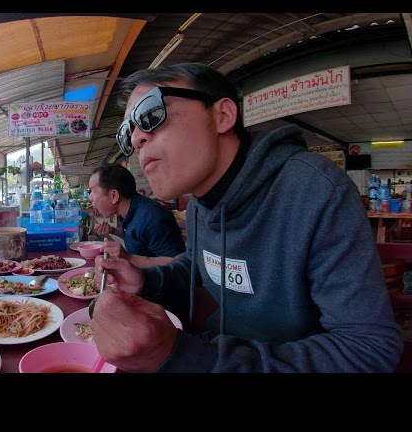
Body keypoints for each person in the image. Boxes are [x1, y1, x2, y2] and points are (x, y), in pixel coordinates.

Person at [90, 62, 403, 373]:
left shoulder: (315, 191)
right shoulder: (201, 200)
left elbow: (368, 348)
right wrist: (145, 278)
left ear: (222, 116)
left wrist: (191, 358)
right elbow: (198, 265)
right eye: (128, 131)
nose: (136, 140)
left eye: (149, 114)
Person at [88, 163, 185, 268]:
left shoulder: (151, 218)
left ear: (114, 195)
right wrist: (113, 230)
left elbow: (179, 264)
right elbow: (137, 238)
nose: (90, 198)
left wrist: (128, 258)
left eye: (93, 191)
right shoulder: (127, 211)